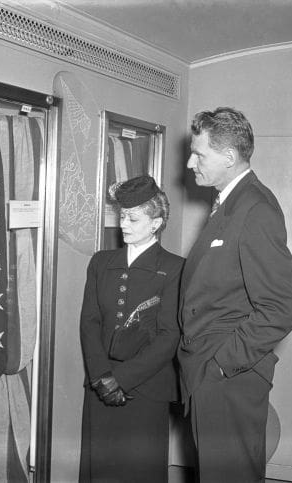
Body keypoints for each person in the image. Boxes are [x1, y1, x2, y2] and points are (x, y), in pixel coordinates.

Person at [177, 107, 292, 482]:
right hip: (213, 375)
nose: (190, 162)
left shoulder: (254, 208)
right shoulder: (229, 204)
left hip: (228, 376)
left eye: (199, 154)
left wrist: (220, 363)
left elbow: (282, 306)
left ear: (229, 157)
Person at [79, 175, 184, 483]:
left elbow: (169, 336)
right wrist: (102, 377)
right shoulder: (101, 262)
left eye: (133, 218)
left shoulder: (175, 268)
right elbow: (89, 322)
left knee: (138, 471)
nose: (123, 224)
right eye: (122, 216)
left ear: (156, 223)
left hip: (145, 389)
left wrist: (121, 380)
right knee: (100, 469)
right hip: (100, 385)